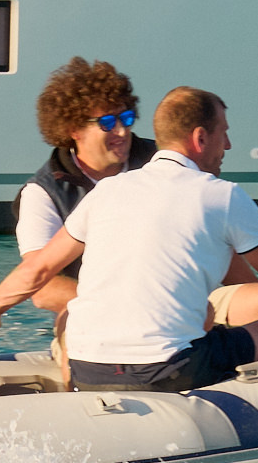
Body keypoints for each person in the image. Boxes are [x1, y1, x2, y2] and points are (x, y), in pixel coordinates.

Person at [0, 86, 258, 393]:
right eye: (224, 133)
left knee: (205, 321)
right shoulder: (222, 195)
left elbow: (38, 268)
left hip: (87, 370)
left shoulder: (107, 191)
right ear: (200, 138)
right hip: (170, 369)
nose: (229, 145)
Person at [16, 56, 156, 324]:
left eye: (126, 118)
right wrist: (126, 311)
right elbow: (42, 288)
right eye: (107, 123)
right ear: (74, 130)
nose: (122, 132)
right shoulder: (43, 193)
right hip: (96, 320)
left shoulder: (162, 163)